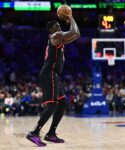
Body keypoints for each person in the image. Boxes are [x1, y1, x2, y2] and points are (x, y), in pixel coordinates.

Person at [26, 15, 80, 147]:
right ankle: (34, 132)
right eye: (57, 25)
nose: (59, 26)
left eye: (59, 25)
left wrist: (70, 20)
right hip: (48, 73)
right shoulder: (55, 37)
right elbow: (73, 31)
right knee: (52, 105)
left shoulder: (60, 40)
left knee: (62, 104)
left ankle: (51, 133)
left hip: (54, 74)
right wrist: (70, 16)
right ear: (51, 29)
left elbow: (77, 34)